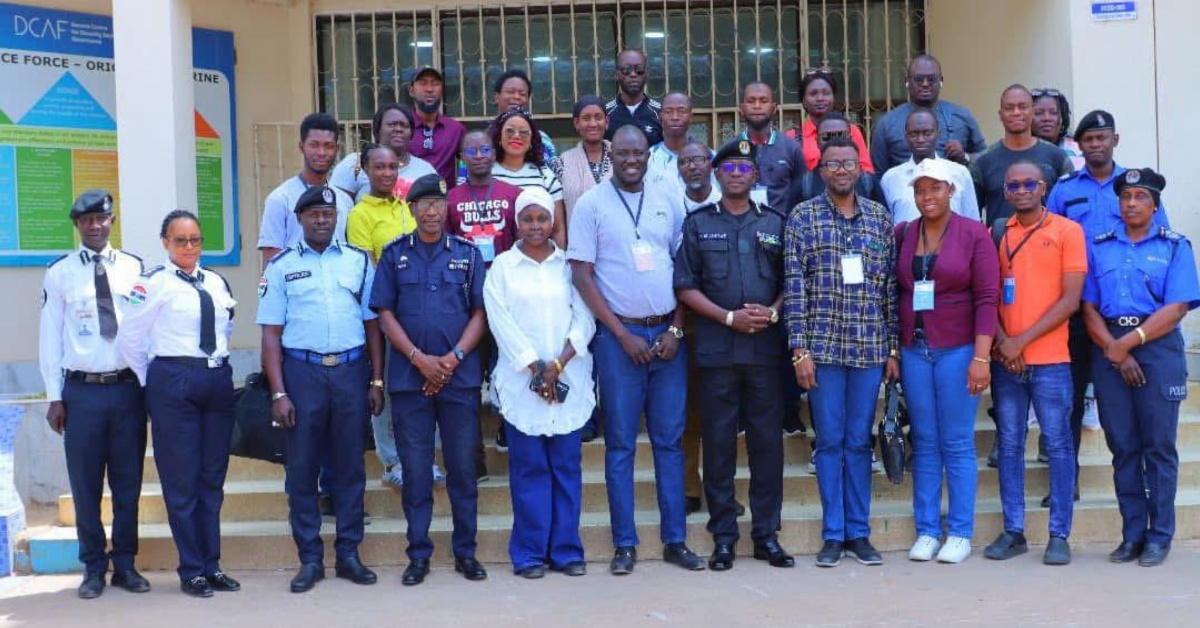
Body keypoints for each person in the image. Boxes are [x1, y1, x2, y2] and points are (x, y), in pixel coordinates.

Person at [568, 125, 704, 575]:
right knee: (621, 445)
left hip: (667, 339)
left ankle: (675, 540)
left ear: (649, 155)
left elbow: (686, 270)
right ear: (611, 155)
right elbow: (582, 275)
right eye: (623, 153)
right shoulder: (591, 204)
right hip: (617, 341)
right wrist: (621, 335)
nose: (631, 160)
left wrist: (678, 331)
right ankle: (624, 543)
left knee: (669, 442)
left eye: (638, 153)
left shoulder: (668, 195)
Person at [257, 185, 384, 593]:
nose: (322, 220)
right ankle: (310, 559)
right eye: (313, 214)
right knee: (302, 470)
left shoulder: (358, 262)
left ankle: (348, 554)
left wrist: (376, 379)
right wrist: (278, 392)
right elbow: (271, 334)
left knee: (349, 468)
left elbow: (372, 325)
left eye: (328, 214)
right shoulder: (280, 267)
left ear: (336, 217)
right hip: (303, 374)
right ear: (300, 219)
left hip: (349, 372)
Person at [674, 139, 793, 571]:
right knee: (719, 445)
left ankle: (766, 535)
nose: (738, 173)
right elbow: (685, 286)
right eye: (730, 167)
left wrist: (775, 311)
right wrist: (727, 318)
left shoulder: (777, 223)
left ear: (756, 175)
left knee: (767, 447)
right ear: (717, 175)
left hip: (764, 351)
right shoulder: (698, 223)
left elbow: (791, 280)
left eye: (745, 167)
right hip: (717, 352)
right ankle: (724, 536)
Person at [1045, 110, 1171, 509]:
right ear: (1078, 146)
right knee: (1068, 400)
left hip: (1128, 315)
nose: (1096, 144)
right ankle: (1067, 482)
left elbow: (1161, 243)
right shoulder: (1064, 190)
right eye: (1089, 139)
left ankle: (1147, 495)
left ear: (1115, 140)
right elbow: (1049, 244)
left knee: (1138, 411)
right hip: (1077, 311)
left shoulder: (1136, 189)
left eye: (1102, 137)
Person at [369, 174, 488, 586]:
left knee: (461, 470)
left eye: (439, 203)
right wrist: (420, 360)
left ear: (446, 208)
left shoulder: (468, 255)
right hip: (409, 379)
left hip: (459, 379)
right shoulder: (394, 255)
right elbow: (384, 313)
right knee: (417, 472)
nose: (433, 211)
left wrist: (452, 359)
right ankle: (418, 554)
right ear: (412, 209)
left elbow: (480, 313)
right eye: (425, 204)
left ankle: (465, 553)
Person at [784, 138, 897, 568]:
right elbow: (795, 289)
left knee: (858, 442)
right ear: (821, 172)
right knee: (829, 443)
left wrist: (892, 348)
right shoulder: (802, 217)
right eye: (832, 164)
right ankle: (833, 533)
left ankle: (860, 532)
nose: (842, 170)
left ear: (860, 169)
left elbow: (889, 288)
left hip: (869, 348)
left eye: (849, 162)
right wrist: (799, 350)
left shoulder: (879, 219)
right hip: (823, 350)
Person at [116, 210, 240, 598]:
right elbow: (130, 338)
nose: (189, 247)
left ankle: (212, 564)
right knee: (181, 480)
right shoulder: (151, 283)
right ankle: (192, 569)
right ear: (165, 243)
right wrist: (153, 381)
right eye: (180, 240)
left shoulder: (217, 282)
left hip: (217, 381)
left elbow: (227, 328)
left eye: (195, 240)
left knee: (211, 480)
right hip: (174, 381)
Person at [1082, 168, 1200, 567]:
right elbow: (1089, 307)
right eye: (1126, 196)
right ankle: (1132, 534)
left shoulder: (1174, 246)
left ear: (1155, 204)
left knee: (1159, 448)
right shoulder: (1100, 246)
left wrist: (1127, 346)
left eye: (1140, 197)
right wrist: (1114, 349)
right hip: (1110, 346)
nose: (1132, 203)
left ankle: (1159, 535)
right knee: (1124, 447)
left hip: (1157, 349)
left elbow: (1177, 307)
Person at [38, 190, 148, 599]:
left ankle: (126, 565)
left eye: (101, 219)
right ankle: (92, 568)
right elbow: (49, 339)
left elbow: (144, 329)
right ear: (78, 226)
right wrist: (55, 396)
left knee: (128, 484)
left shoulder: (135, 268)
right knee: (86, 486)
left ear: (112, 220)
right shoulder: (60, 273)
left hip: (126, 391)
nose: (95, 226)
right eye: (87, 221)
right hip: (81, 393)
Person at [483, 187, 596, 579]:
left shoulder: (569, 266)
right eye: (528, 219)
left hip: (569, 378)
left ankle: (566, 550)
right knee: (529, 468)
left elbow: (585, 318)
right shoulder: (501, 268)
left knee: (566, 467)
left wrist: (560, 364)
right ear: (517, 222)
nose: (535, 226)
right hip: (522, 383)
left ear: (553, 221)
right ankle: (529, 553)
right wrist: (535, 367)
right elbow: (500, 322)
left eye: (542, 218)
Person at [894, 159, 999, 564]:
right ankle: (926, 530)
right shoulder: (904, 232)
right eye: (920, 190)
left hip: (958, 350)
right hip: (914, 350)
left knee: (956, 442)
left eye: (935, 188)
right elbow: (898, 291)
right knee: (924, 439)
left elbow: (988, 298)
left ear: (951, 190)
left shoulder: (974, 234)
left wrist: (980, 356)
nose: (927, 197)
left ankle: (959, 531)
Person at [984, 160, 1086, 566]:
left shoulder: (1067, 231)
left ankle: (1060, 534)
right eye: (1014, 185)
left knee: (1059, 445)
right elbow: (987, 294)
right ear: (1006, 191)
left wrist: (1020, 342)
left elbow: (1070, 301)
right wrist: (1002, 342)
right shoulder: (997, 232)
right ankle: (1014, 530)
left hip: (1051, 360)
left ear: (1043, 187)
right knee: (1009, 445)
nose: (1022, 190)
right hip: (1006, 362)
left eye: (1029, 183)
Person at [446, 130, 522, 462]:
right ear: (462, 157)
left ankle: (510, 428)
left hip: (507, 299)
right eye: (471, 150)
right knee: (468, 376)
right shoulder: (449, 199)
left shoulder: (514, 194)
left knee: (510, 365)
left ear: (494, 154)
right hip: (464, 302)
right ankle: (471, 450)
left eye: (485, 149)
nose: (479, 155)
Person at [259, 112, 355, 266]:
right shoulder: (280, 199)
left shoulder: (344, 201)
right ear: (301, 146)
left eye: (328, 146)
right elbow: (271, 265)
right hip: (296, 289)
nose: (321, 153)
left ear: (337, 149)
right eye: (314, 145)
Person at [970, 84, 1074, 226]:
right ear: (1000, 115)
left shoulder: (1057, 157)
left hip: (1050, 245)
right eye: (1009, 108)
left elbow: (1071, 212)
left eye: (1023, 107)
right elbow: (971, 217)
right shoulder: (983, 162)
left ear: (1032, 112)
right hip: (1000, 245)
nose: (1016, 112)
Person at [870, 54, 987, 174]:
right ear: (907, 82)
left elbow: (985, 159)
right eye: (919, 79)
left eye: (931, 79)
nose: (925, 84)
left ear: (941, 81)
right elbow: (878, 174)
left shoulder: (962, 116)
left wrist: (965, 157)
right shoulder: (887, 123)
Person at [880, 108, 980, 224]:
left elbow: (973, 222)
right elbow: (887, 229)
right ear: (906, 137)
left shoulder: (959, 173)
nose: (921, 139)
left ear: (938, 134)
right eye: (914, 134)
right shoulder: (890, 178)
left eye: (927, 133)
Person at [490, 108, 567, 248]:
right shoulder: (486, 172)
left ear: (532, 140)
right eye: (510, 131)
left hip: (538, 260)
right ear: (499, 136)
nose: (516, 136)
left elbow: (558, 229)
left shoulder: (545, 175)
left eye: (524, 132)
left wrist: (560, 261)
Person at [330, 103, 437, 202]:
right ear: (377, 131)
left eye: (404, 125)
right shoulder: (354, 164)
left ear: (411, 134)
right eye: (392, 124)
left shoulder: (425, 171)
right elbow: (339, 207)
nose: (398, 129)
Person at [789, 113, 886, 209]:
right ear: (817, 141)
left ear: (851, 138)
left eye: (841, 135)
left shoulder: (868, 182)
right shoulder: (804, 185)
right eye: (827, 136)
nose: (834, 140)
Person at [786, 69, 874, 173]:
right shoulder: (792, 137)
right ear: (804, 100)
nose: (820, 98)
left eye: (826, 93)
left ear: (833, 98)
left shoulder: (851, 131)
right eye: (813, 94)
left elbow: (866, 170)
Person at [739, 81, 806, 212]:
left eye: (763, 101)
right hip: (741, 228)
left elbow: (801, 192)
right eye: (751, 101)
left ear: (774, 108)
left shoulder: (791, 148)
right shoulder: (731, 148)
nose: (757, 106)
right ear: (741, 108)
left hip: (782, 227)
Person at [553, 95, 612, 222]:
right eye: (586, 118)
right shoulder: (562, 163)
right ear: (576, 123)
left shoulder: (621, 158)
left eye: (598, 117)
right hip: (577, 239)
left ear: (606, 122)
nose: (592, 124)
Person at [407, 65, 467, 187]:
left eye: (435, 84)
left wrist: (462, 184)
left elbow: (465, 162)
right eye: (423, 83)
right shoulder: (402, 128)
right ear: (412, 91)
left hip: (444, 201)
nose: (430, 89)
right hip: (407, 200)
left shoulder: (456, 129)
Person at [646, 92, 714, 190]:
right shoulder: (648, 159)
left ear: (691, 117)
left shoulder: (710, 158)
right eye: (669, 111)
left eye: (681, 111)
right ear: (660, 117)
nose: (675, 117)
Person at [491, 68, 557, 164]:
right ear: (497, 97)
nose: (516, 97)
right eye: (510, 92)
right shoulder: (483, 139)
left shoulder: (542, 140)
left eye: (522, 94)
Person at [605, 48, 663, 147]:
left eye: (639, 69)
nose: (633, 74)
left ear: (646, 74)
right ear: (616, 75)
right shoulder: (605, 114)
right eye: (626, 69)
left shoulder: (660, 113)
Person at [1031, 88, 1084, 171]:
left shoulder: (1079, 150)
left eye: (1053, 113)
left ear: (1062, 118)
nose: (1047, 118)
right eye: (1039, 113)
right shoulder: (1019, 149)